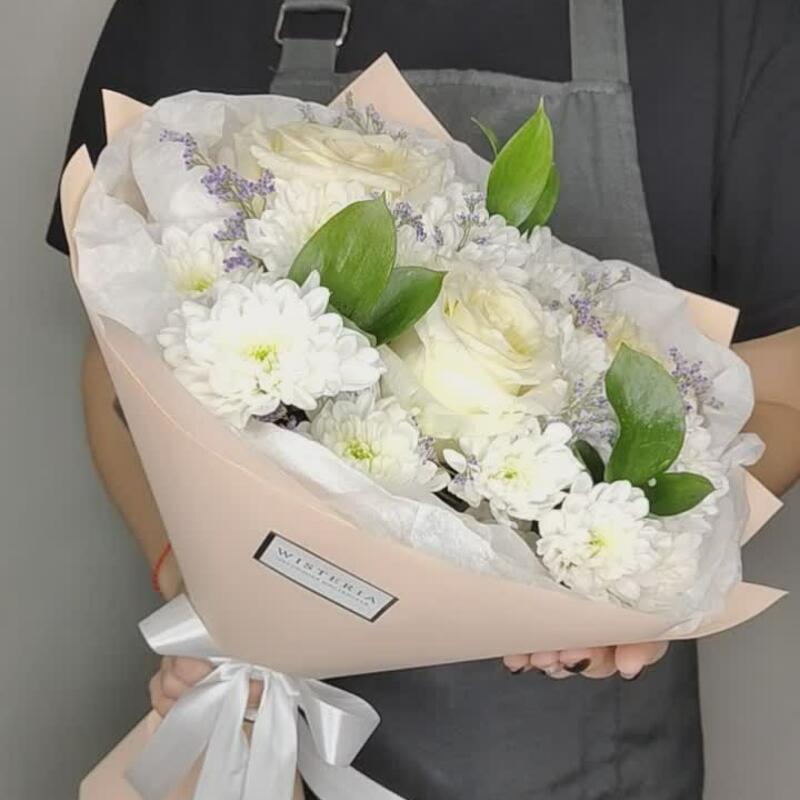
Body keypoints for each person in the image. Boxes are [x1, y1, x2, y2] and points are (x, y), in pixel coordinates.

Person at [48, 1, 800, 798]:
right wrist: (206, 592)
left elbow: (783, 397)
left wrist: (616, 579)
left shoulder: (726, 21)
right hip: (253, 711)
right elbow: (118, 359)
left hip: (574, 751)